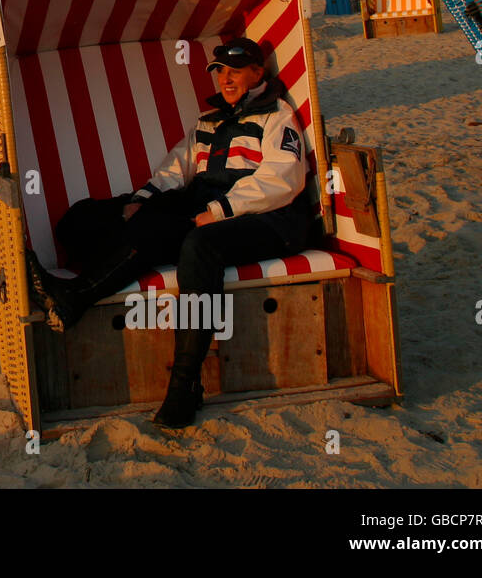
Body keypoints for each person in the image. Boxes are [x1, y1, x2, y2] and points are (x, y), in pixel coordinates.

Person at [26, 37, 313, 429]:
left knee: (199, 246)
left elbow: (283, 179)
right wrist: (141, 199)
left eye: (235, 71)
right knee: (90, 216)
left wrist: (218, 211)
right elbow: (177, 166)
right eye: (221, 72)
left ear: (257, 73)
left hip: (269, 220)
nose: (226, 79)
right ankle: (74, 295)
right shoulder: (208, 120)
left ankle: (185, 385)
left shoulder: (276, 116)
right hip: (208, 208)